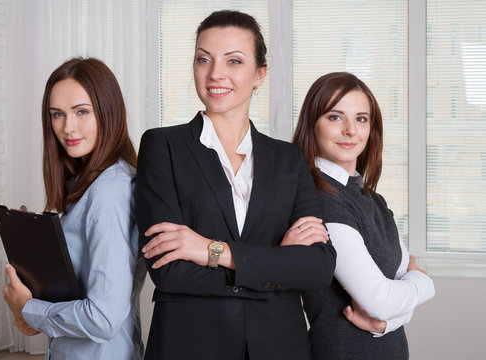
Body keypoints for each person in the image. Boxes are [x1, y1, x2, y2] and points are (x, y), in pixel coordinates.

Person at [135, 10, 336, 360]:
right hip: (190, 344)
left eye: (234, 61)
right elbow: (169, 271)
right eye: (204, 59)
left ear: (260, 75)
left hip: (278, 346)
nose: (216, 74)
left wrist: (213, 251)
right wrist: (278, 262)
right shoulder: (162, 146)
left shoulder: (288, 159)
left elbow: (318, 266)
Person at [2, 57, 146, 360]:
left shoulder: (109, 191)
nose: (68, 127)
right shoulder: (86, 184)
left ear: (109, 112)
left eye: (82, 111)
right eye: (57, 114)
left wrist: (29, 309)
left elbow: (104, 318)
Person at [293, 72, 435, 360]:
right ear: (313, 125)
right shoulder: (322, 201)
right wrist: (424, 284)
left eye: (361, 119)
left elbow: (390, 295)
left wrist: (387, 323)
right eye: (335, 117)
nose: (351, 131)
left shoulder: (371, 199)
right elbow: (381, 300)